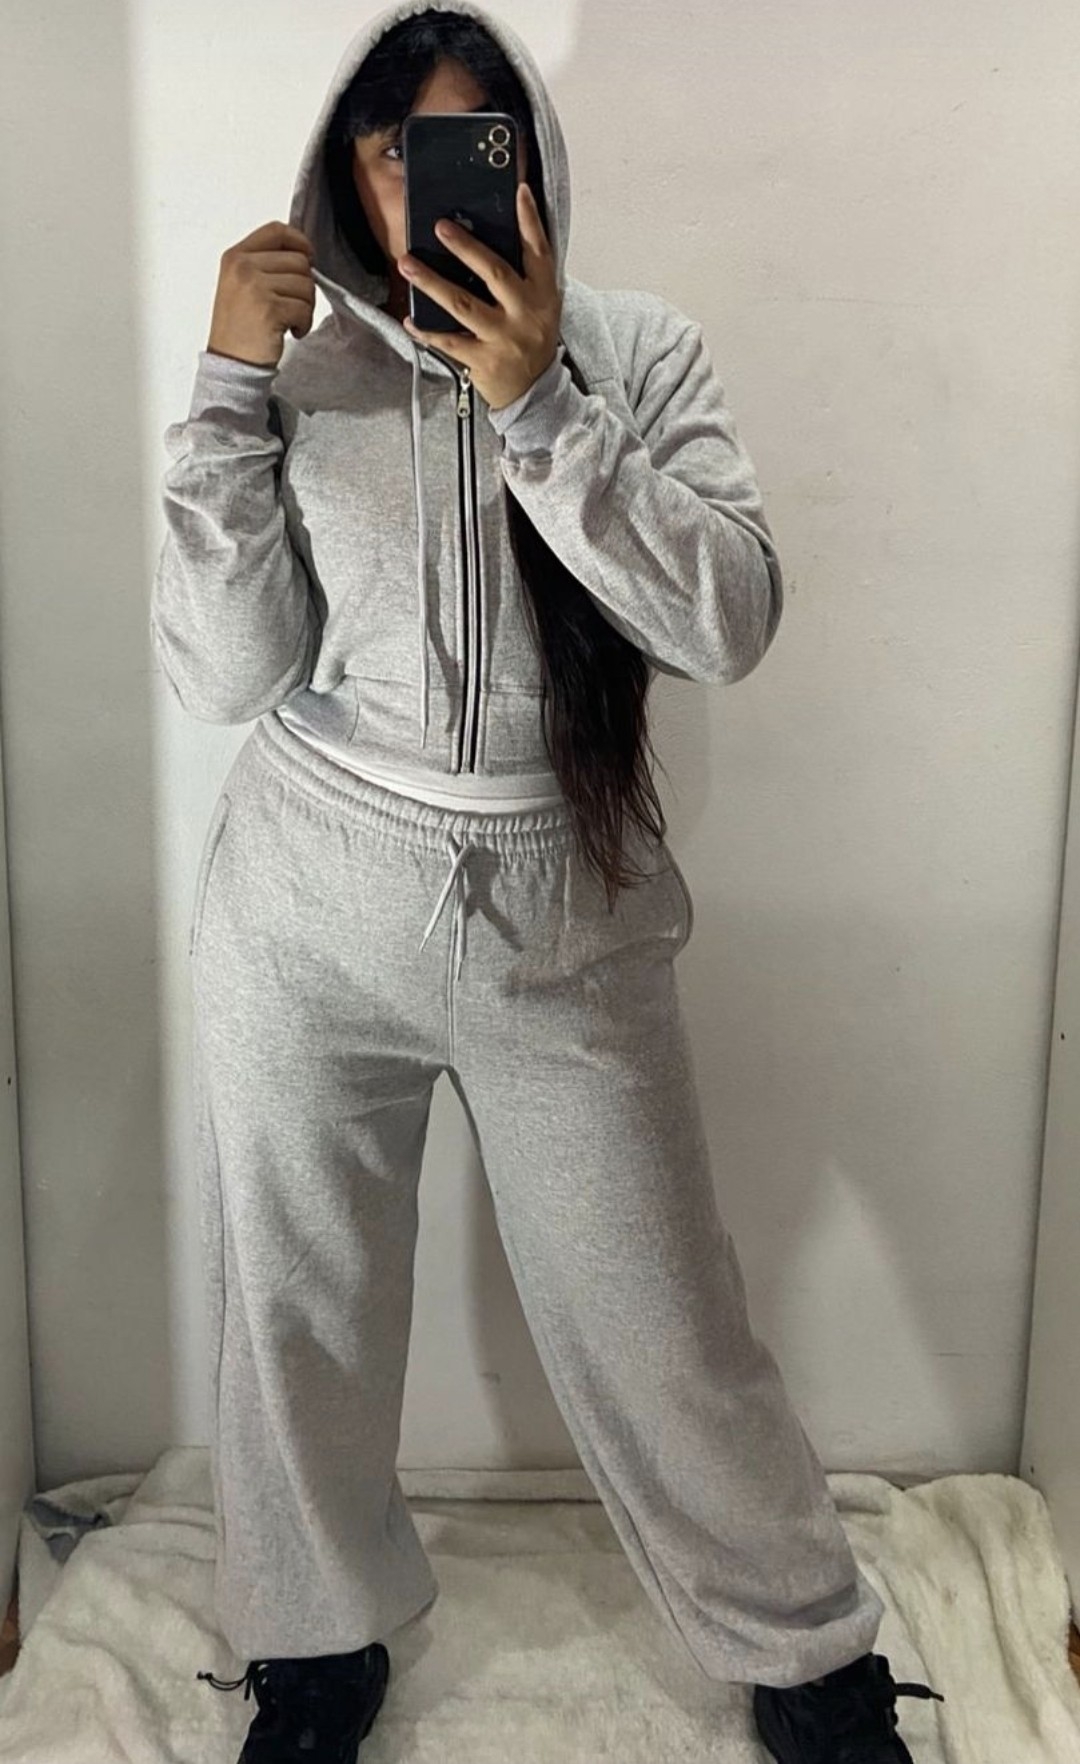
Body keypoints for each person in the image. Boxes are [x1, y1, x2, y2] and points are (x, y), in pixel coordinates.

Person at [150, 3, 945, 1760]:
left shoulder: (636, 354)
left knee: (666, 1322)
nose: (429, 182)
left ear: (527, 164)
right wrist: (222, 391)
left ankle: (810, 1658)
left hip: (563, 916)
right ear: (345, 171)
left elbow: (728, 618)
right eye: (394, 148)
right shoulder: (298, 365)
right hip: (304, 910)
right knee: (296, 1309)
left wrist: (540, 406)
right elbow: (225, 673)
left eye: (471, 143)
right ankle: (312, 1650)